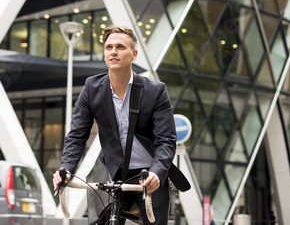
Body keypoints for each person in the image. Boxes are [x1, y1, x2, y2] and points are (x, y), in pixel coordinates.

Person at [53, 25, 189, 225]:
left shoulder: (156, 91)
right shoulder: (92, 88)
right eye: (108, 47)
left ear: (134, 55)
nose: (113, 51)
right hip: (113, 176)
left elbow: (166, 141)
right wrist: (66, 168)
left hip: (149, 176)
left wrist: (157, 173)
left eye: (120, 47)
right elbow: (76, 135)